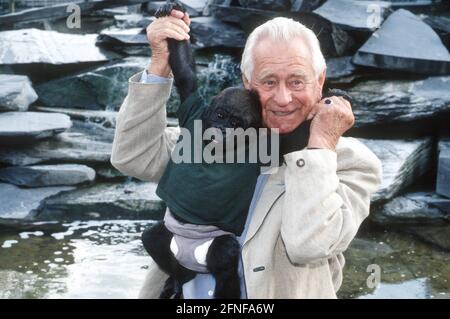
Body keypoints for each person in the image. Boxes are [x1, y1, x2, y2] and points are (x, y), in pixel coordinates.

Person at [110, 10, 382, 299]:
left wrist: (320, 146)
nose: (283, 98)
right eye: (268, 82)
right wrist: (160, 66)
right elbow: (132, 155)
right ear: (247, 82)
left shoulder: (351, 164)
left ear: (320, 80)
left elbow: (308, 245)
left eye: (296, 82)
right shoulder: (212, 139)